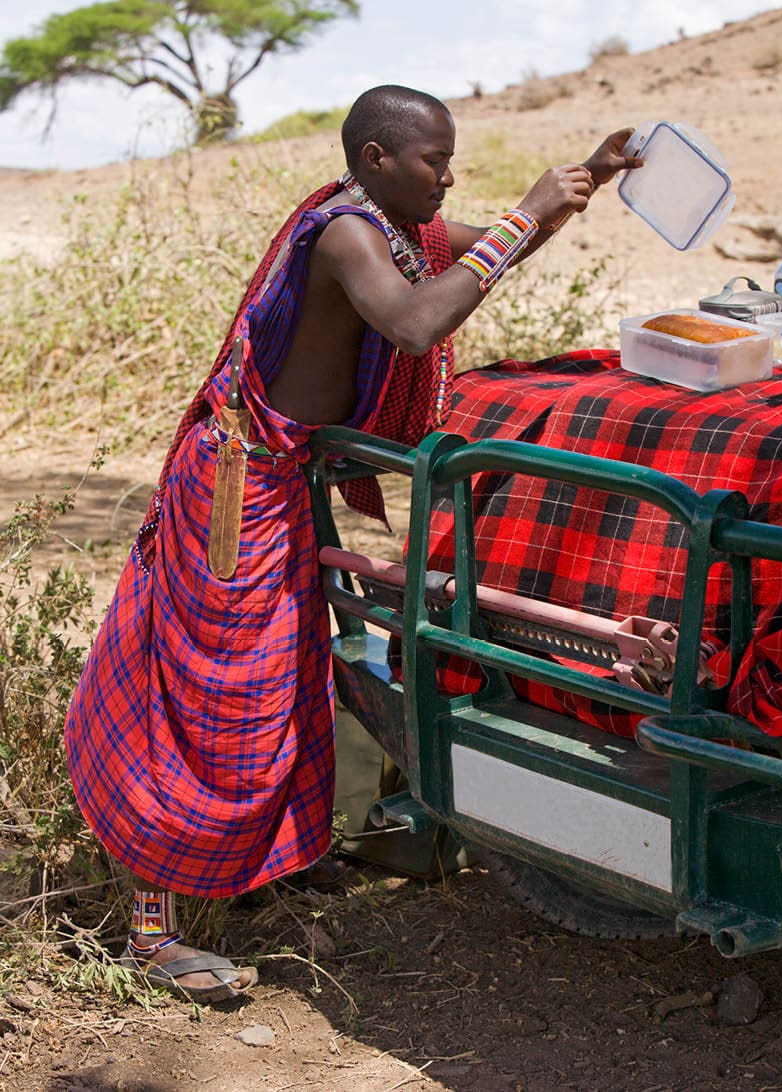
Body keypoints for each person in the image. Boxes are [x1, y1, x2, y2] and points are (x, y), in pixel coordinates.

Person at [64, 85, 641, 1003]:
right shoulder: (346, 234)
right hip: (233, 495)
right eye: (433, 161)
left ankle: (257, 867)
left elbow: (452, 279)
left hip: (273, 482)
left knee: (288, 685)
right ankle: (151, 934)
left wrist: (583, 186)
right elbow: (417, 323)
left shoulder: (386, 223)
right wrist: (524, 208)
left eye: (450, 161)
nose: (446, 177)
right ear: (376, 158)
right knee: (214, 703)